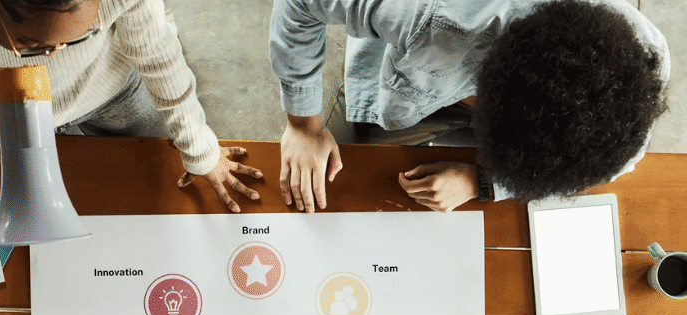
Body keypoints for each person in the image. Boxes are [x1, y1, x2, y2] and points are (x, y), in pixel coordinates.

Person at [270, 0, 669, 213]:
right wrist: (303, 125)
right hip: (411, 80)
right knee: (352, 165)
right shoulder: (418, 9)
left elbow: (618, 161)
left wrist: (485, 183)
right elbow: (299, 4)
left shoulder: (635, 61)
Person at [0, 0, 262, 213]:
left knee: (151, 180)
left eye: (86, 33)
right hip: (18, 116)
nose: (55, 57)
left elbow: (158, 54)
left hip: (116, 89)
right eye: (36, 47)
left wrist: (201, 150)